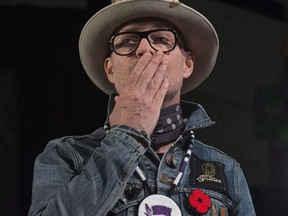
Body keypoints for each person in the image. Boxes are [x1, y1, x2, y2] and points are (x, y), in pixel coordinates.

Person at [28, 0, 256, 215]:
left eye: (161, 39)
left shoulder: (226, 171)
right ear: (110, 69)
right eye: (127, 41)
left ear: (187, 64)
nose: (145, 49)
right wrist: (126, 135)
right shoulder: (67, 155)